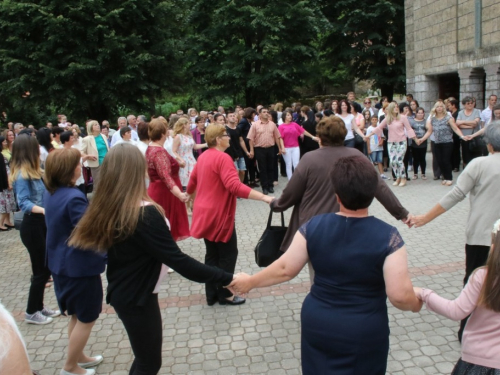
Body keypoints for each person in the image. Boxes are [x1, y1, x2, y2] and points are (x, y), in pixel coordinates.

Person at [229, 156, 422, 375]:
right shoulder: (388, 236)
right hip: (364, 328)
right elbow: (399, 296)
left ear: (337, 195)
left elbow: (285, 269)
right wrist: (417, 303)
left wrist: (250, 282)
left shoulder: (313, 226)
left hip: (318, 321)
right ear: (373, 195)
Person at [68, 143, 236, 375]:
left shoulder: (112, 206)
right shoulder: (143, 213)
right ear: (136, 170)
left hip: (128, 292)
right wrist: (229, 278)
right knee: (149, 362)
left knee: (144, 358)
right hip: (136, 298)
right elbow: (180, 261)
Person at [270, 116, 413, 279]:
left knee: (319, 277)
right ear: (343, 135)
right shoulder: (357, 155)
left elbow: (290, 193)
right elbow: (380, 188)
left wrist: (276, 205)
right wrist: (402, 214)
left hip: (316, 228)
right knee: (351, 272)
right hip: (352, 224)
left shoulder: (309, 159)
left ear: (320, 137)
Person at [412, 121, 500, 341]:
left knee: (473, 283)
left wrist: (425, 218)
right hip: (488, 237)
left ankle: (468, 331)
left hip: (481, 237)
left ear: (488, 144)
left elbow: (455, 195)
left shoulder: (479, 164)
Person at [187, 124, 274, 306]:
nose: (229, 137)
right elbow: (234, 186)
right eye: (226, 134)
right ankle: (225, 295)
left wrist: (191, 200)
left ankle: (211, 294)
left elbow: (191, 183)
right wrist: (264, 197)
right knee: (227, 254)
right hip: (218, 214)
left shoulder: (203, 157)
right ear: (218, 139)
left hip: (204, 213)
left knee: (212, 255)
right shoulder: (223, 158)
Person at [43, 148, 105, 375]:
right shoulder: (73, 197)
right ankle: (69, 367)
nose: (81, 167)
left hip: (61, 265)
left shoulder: (52, 192)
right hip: (78, 268)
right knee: (87, 317)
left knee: (77, 315)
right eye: (78, 164)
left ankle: (78, 357)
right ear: (69, 169)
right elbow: (89, 233)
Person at [414, 218, 500, 374]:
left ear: (494, 247)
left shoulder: (483, 277)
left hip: (479, 361)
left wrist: (424, 293)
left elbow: (456, 311)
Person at [10, 135, 60, 324]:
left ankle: (39, 306)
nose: (40, 150)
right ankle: (31, 311)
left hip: (41, 224)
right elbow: (24, 203)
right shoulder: (23, 175)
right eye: (36, 147)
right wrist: (46, 210)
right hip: (32, 225)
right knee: (41, 270)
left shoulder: (34, 171)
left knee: (44, 268)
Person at [146, 118, 190, 241]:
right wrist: (180, 194)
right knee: (166, 228)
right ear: (162, 134)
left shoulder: (152, 148)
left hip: (160, 189)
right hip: (166, 192)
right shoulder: (158, 151)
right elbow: (165, 176)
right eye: (166, 132)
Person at [368, 102, 417, 187]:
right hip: (391, 142)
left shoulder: (403, 117)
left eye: (397, 107)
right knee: (393, 162)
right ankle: (397, 177)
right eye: (394, 107)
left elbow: (409, 129)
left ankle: (403, 178)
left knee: (399, 160)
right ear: (391, 108)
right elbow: (379, 128)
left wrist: (416, 139)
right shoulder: (388, 118)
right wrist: (368, 135)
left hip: (401, 142)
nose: (396, 108)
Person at [427, 101, 468, 186]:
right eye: (437, 107)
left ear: (443, 108)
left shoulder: (448, 118)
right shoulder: (433, 119)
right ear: (435, 108)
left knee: (446, 160)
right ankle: (445, 177)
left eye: (441, 106)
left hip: (447, 142)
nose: (439, 108)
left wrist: (462, 136)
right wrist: (421, 139)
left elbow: (455, 128)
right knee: (440, 161)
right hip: (437, 142)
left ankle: (449, 178)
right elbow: (429, 130)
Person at [247, 107, 284, 195]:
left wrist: (279, 148)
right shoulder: (255, 125)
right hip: (259, 149)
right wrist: (252, 150)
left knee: (271, 167)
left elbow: (277, 137)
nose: (266, 113)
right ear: (259, 115)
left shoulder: (272, 124)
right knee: (263, 168)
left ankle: (270, 185)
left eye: (267, 112)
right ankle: (264, 186)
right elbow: (250, 139)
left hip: (271, 148)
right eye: (264, 112)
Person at [279, 110, 318, 180]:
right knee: (288, 165)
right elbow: (280, 138)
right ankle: (290, 181)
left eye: (290, 115)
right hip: (286, 148)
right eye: (288, 115)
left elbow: (303, 131)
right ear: (284, 117)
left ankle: (297, 180)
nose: (290, 116)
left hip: (295, 147)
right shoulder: (281, 127)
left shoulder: (294, 124)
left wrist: (313, 137)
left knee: (296, 164)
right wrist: (282, 148)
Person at [172, 117, 206, 190]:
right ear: (184, 125)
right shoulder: (178, 137)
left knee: (194, 181)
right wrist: (180, 159)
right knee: (185, 183)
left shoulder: (189, 135)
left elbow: (195, 146)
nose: (190, 125)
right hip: (183, 161)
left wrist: (206, 144)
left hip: (192, 160)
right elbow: (173, 151)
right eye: (188, 123)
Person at [80, 120, 109, 187]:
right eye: (95, 125)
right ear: (90, 127)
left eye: (98, 124)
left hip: (108, 162)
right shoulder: (87, 139)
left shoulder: (103, 136)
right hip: (96, 164)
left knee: (109, 182)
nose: (98, 125)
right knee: (98, 184)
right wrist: (88, 156)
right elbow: (81, 151)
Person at [224, 111, 250, 182]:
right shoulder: (225, 129)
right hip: (231, 154)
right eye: (230, 116)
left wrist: (246, 151)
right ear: (227, 118)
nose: (233, 117)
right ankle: (236, 188)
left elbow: (241, 141)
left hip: (240, 153)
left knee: (242, 171)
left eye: (233, 116)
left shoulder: (238, 128)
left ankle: (240, 186)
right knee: (236, 172)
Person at [456, 97, 482, 166]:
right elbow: (458, 124)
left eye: (472, 103)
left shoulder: (477, 111)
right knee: (465, 155)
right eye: (468, 103)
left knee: (475, 155)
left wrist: (463, 122)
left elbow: (475, 123)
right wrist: (469, 125)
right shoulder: (461, 113)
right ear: (464, 104)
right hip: (464, 137)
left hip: (474, 137)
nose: (470, 105)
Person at [237, 108, 258, 187]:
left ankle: (252, 180)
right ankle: (246, 182)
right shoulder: (243, 121)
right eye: (253, 114)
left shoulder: (248, 122)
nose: (254, 115)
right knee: (247, 164)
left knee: (252, 164)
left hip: (250, 145)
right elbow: (239, 131)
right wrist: (244, 138)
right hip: (246, 145)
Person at [409, 107, 430, 180]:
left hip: (423, 141)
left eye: (422, 113)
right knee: (415, 158)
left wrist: (422, 139)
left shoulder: (426, 121)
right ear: (416, 113)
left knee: (422, 158)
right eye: (419, 113)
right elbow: (410, 131)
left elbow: (428, 131)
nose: (420, 114)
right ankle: (415, 173)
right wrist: (415, 139)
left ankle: (423, 173)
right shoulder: (412, 121)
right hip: (414, 141)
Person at [0, 138, 15, 231]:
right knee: (5, 204)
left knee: (9, 204)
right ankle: (1, 223)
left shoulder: (2, 154)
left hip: (7, 181)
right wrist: (7, 183)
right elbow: (2, 171)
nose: (5, 143)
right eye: (4, 141)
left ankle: (7, 221)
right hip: (4, 184)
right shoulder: (1, 156)